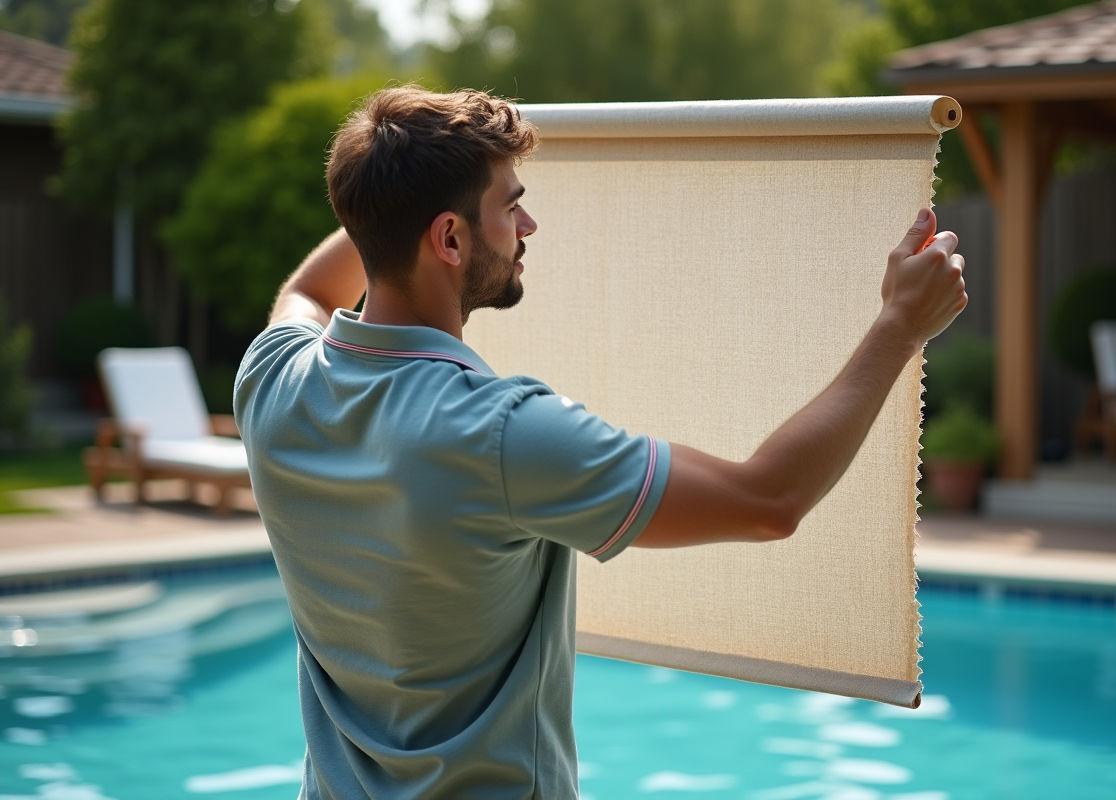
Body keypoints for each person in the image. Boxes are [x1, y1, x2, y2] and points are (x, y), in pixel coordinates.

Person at [234, 85, 966, 800]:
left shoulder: (272, 378)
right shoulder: (501, 434)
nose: (528, 227)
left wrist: (405, 183)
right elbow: (766, 499)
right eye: (510, 206)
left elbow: (307, 290)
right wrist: (899, 326)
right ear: (449, 238)